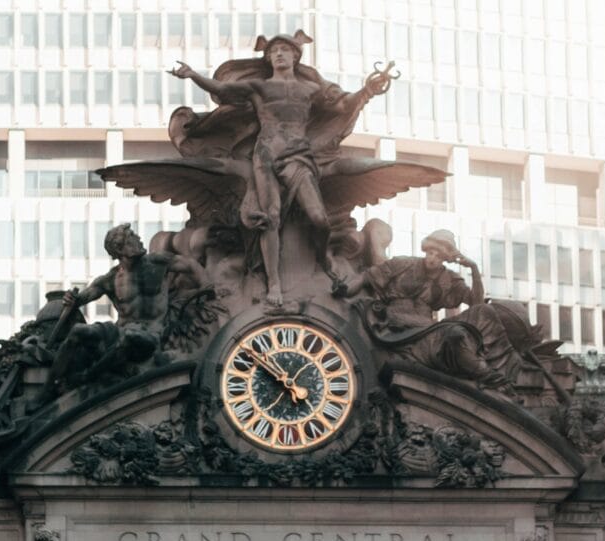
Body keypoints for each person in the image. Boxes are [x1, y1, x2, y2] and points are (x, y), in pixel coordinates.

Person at [170, 31, 392, 305]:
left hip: (299, 155)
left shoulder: (310, 89)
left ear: (295, 56)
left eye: (284, 50)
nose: (278, 54)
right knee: (270, 218)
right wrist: (193, 75)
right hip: (266, 155)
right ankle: (273, 284)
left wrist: (368, 90)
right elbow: (223, 90)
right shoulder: (259, 87)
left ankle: (323, 257)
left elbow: (343, 104)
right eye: (273, 51)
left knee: (319, 218)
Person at [36, 224, 209, 402]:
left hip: (151, 334)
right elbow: (84, 297)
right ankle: (47, 390)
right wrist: (72, 299)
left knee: (130, 337)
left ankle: (87, 377)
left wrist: (208, 288)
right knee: (79, 330)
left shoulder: (157, 262)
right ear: (120, 248)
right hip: (120, 332)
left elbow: (191, 265)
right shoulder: (111, 279)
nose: (139, 239)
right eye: (132, 237)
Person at [335, 230, 523, 393]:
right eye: (430, 253)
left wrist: (474, 269)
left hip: (428, 327)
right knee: (454, 333)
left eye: (438, 256)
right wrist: (344, 289)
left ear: (445, 259)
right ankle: (488, 375)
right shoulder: (403, 264)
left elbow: (476, 303)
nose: (432, 258)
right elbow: (365, 278)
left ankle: (500, 369)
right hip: (397, 323)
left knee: (483, 313)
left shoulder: (449, 279)